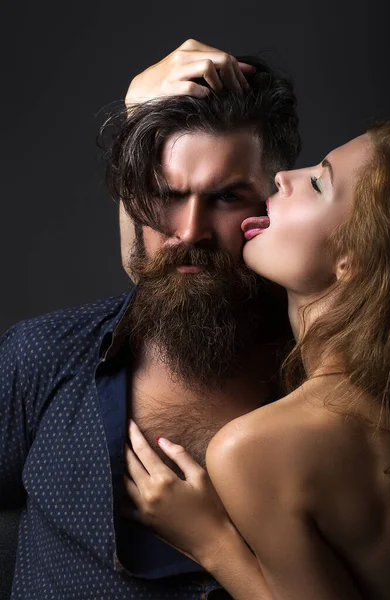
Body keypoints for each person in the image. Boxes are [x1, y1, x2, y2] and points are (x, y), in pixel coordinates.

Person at [0, 40, 301, 599]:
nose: (189, 231)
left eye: (228, 196)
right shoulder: (43, 356)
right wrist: (135, 113)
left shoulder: (330, 377)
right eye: (166, 194)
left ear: (275, 200)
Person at [124, 118, 390, 599]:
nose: (284, 178)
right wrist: (138, 111)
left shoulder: (257, 448)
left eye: (318, 182)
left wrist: (210, 541)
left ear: (353, 258)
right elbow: (160, 265)